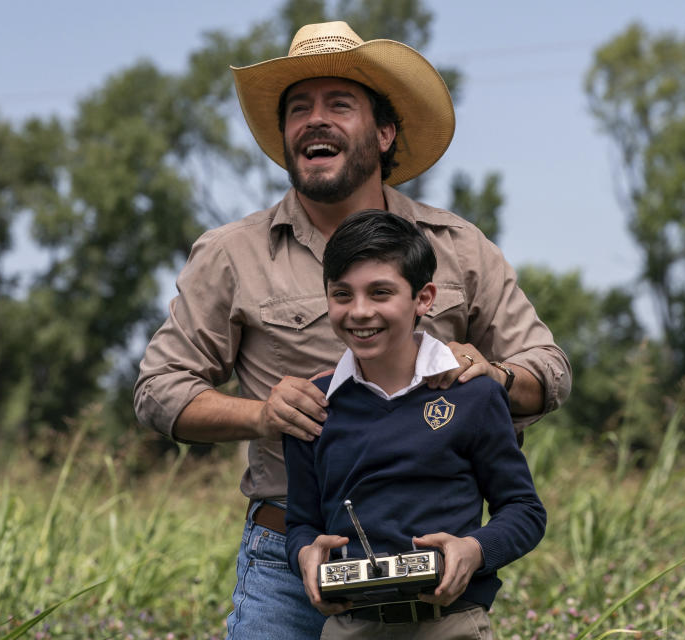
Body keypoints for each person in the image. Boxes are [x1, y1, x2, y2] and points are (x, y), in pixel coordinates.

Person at [134, 20, 570, 640]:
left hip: (428, 567)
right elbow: (158, 391)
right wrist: (263, 415)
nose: (316, 120)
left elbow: (549, 370)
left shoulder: (459, 248)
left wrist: (495, 377)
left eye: (340, 104)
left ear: (385, 131)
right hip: (291, 556)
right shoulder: (231, 253)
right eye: (299, 109)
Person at [284, 210, 546, 639]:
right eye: (342, 294)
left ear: (423, 298)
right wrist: (305, 555)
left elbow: (524, 511)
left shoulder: (474, 395)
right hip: (350, 628)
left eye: (381, 292)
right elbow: (301, 524)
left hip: (452, 625)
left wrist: (474, 550)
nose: (360, 311)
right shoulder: (314, 405)